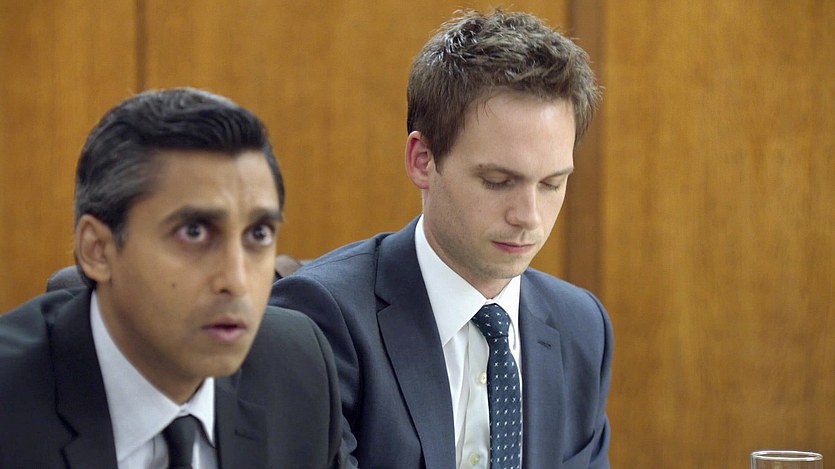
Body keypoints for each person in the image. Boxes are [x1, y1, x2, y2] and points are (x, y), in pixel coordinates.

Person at [269, 9, 613, 469]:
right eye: (497, 181)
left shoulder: (582, 327)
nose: (529, 217)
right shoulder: (318, 320)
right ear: (423, 160)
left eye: (552, 184)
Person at [0, 88, 344, 468]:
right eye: (194, 232)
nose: (237, 281)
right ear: (98, 250)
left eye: (258, 234)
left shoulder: (295, 366)